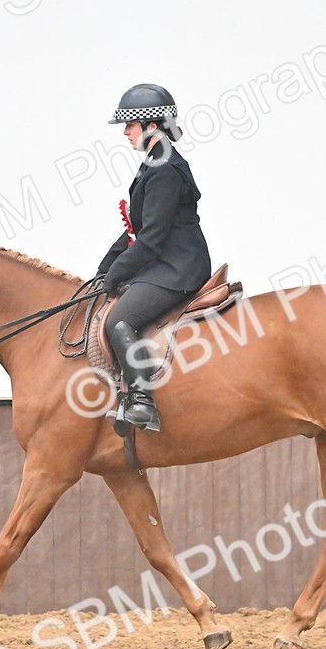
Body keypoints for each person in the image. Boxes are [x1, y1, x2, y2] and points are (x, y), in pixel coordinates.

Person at [97, 83, 212, 432]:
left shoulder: (162, 169)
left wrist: (116, 275)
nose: (125, 134)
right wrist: (103, 269)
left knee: (120, 320)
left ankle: (142, 401)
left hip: (178, 268)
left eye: (129, 125)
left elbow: (152, 239)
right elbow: (136, 228)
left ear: (150, 125)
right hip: (165, 262)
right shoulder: (155, 162)